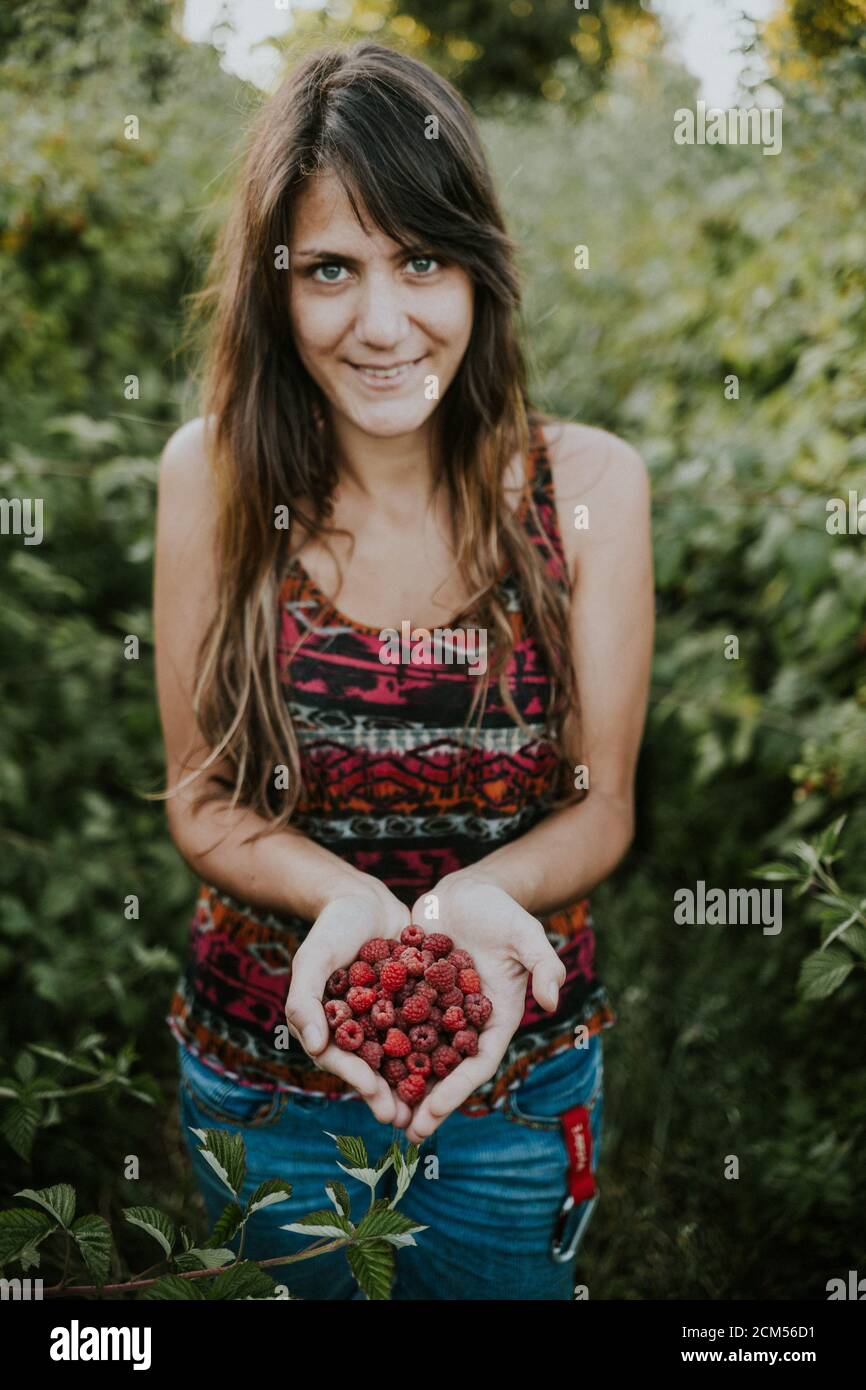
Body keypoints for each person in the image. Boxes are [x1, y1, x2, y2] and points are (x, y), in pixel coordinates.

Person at [153, 40, 654, 1300]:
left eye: (419, 261)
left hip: (515, 1085)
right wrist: (346, 902)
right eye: (330, 270)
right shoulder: (209, 482)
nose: (382, 325)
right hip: (265, 1084)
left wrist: (470, 900)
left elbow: (600, 804)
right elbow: (203, 796)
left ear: (476, 265)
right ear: (276, 289)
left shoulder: (585, 490)